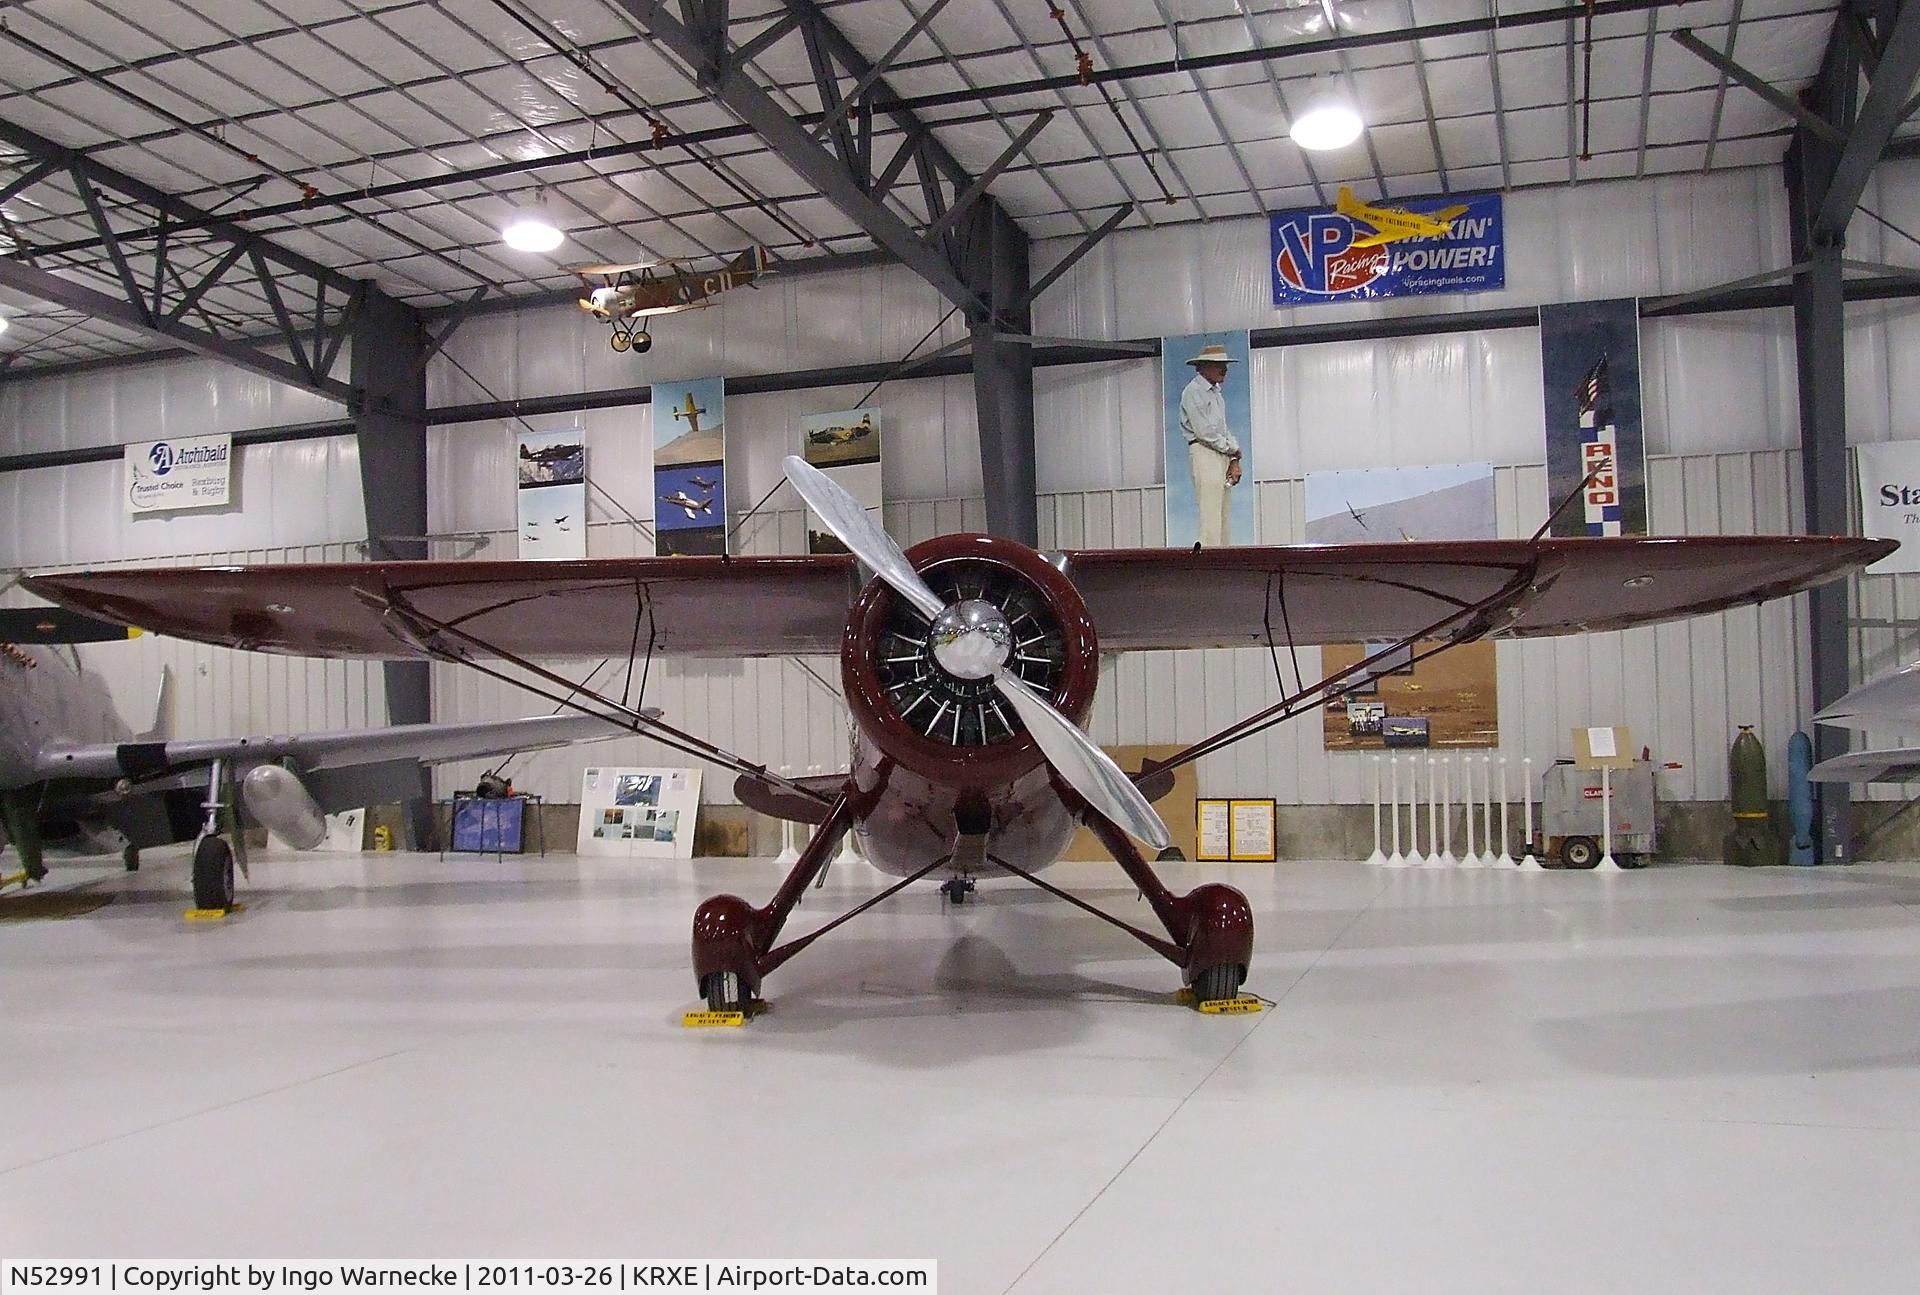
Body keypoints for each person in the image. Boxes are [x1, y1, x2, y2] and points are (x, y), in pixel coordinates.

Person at [1178, 342, 1243, 545]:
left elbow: (1222, 429)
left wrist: (1233, 457)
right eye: (1218, 364)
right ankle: (1210, 555)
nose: (1224, 369)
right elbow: (1205, 432)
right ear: (1203, 366)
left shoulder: (1216, 394)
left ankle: (1223, 554)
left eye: (1224, 365)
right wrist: (1233, 449)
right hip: (1204, 451)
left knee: (1222, 511)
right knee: (1210, 510)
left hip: (1219, 452)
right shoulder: (1193, 391)